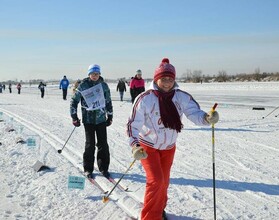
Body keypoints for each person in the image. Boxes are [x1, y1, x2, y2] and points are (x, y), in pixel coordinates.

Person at [127, 58, 219, 220]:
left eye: (170, 79)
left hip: (169, 147)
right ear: (157, 79)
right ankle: (150, 217)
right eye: (164, 79)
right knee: (156, 181)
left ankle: (159, 208)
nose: (167, 83)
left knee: (164, 181)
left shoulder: (181, 97)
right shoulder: (145, 98)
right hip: (147, 147)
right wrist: (135, 145)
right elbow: (133, 124)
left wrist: (207, 118)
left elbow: (194, 113)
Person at [70, 64, 113, 178]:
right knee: (90, 144)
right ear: (89, 74)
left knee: (103, 144)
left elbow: (108, 101)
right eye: (93, 74)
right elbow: (74, 101)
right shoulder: (83, 86)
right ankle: (88, 169)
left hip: (100, 119)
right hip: (88, 120)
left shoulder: (103, 86)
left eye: (97, 74)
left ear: (99, 74)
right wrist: (74, 116)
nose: (95, 76)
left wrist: (110, 116)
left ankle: (104, 168)